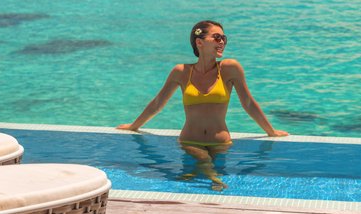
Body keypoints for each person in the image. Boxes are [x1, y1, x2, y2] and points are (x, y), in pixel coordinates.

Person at [118, 20, 288, 179]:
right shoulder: (181, 71)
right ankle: (212, 175)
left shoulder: (230, 68)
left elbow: (248, 103)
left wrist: (270, 131)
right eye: (217, 37)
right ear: (199, 42)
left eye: (224, 38)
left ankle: (209, 175)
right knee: (204, 164)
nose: (222, 42)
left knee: (197, 176)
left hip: (221, 143)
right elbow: (158, 103)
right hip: (189, 141)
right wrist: (134, 126)